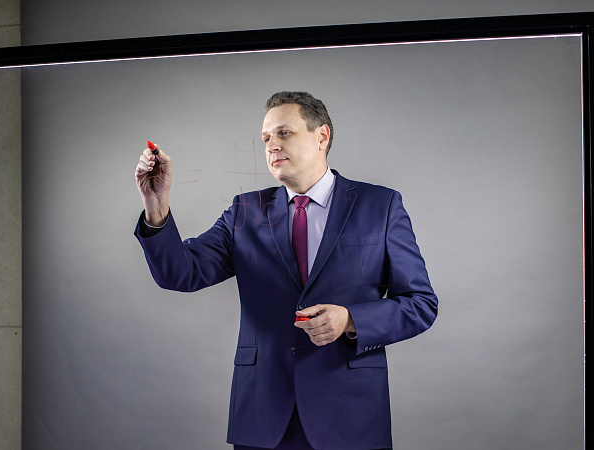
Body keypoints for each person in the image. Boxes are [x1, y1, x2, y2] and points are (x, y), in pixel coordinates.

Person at [134, 91, 437, 449]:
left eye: (284, 133)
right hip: (263, 415)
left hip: (350, 415)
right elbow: (180, 273)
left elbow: (420, 304)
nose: (271, 145)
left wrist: (350, 319)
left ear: (321, 136)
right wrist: (156, 204)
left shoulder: (380, 205)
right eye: (266, 138)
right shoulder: (245, 211)